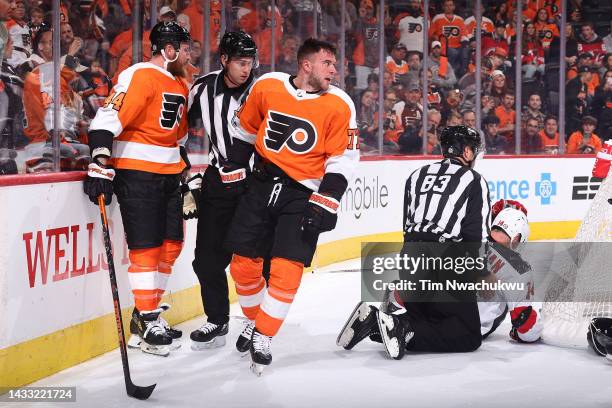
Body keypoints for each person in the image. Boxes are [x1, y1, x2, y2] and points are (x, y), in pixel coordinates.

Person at [222, 38, 358, 374]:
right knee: (242, 264)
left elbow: (342, 158)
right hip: (262, 182)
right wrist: (235, 168)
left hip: (303, 194)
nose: (334, 69)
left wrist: (327, 201)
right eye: (327, 63)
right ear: (306, 65)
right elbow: (243, 130)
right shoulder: (267, 86)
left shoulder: (340, 104)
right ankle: (255, 323)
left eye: (334, 64)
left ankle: (264, 335)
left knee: (287, 268)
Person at [83, 21, 192, 356]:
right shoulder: (139, 74)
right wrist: (100, 161)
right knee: (146, 247)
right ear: (168, 50)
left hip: (170, 176)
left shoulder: (179, 84)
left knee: (172, 245)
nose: (190, 55)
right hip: (138, 174)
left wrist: (187, 175)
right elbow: (106, 119)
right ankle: (146, 318)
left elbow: (180, 139)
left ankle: (147, 316)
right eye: (185, 49)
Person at [338, 126, 489, 359]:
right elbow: (474, 235)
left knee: (424, 317)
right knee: (467, 335)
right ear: (467, 152)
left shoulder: (416, 175)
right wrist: (480, 273)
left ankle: (375, 322)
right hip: (446, 259)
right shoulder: (473, 179)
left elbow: (408, 227)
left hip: (411, 257)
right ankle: (399, 327)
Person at [186, 31, 258, 350]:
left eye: (250, 62)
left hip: (254, 184)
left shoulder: (263, 90)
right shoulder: (202, 87)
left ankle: (257, 322)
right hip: (217, 183)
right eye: (240, 62)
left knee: (251, 261)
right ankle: (217, 319)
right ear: (224, 60)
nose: (247, 68)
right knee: (206, 260)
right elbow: (176, 131)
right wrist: (184, 174)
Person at [479, 205, 542, 344]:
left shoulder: (469, 237)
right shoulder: (519, 268)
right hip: (462, 330)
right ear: (516, 239)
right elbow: (527, 329)